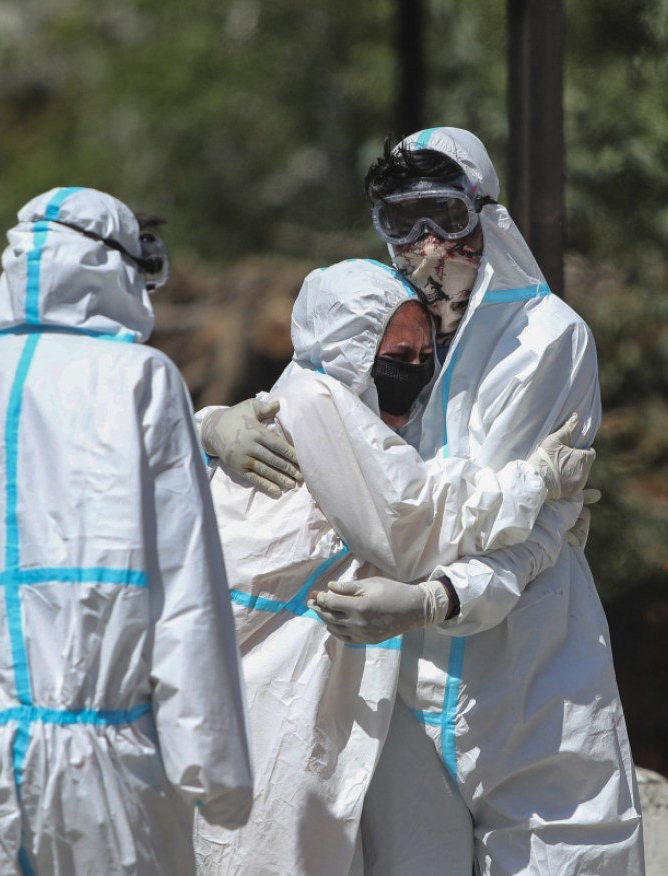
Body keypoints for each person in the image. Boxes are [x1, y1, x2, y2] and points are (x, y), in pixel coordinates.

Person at [0, 186, 252, 876]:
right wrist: (213, 769)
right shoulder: (141, 380)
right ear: (118, 271)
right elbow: (184, 589)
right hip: (95, 774)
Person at [310, 128, 644, 875]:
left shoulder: (547, 340)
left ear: (483, 214)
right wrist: (215, 427)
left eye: (441, 217)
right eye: (400, 222)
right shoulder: (388, 331)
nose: (425, 246)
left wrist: (429, 600)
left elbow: (519, 536)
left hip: (529, 675)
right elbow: (309, 413)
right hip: (396, 689)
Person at [193, 258, 596, 876]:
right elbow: (420, 522)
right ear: (349, 351)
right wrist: (536, 487)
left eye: (422, 354)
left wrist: (545, 528)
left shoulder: (337, 405)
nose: (413, 369)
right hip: (273, 696)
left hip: (326, 689)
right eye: (395, 354)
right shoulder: (323, 405)